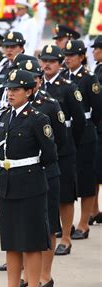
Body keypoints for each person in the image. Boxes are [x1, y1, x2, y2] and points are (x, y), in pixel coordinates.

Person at [0, 69, 56, 287]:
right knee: (11, 241)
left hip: (30, 183)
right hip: (9, 182)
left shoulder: (39, 119)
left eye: (16, 89)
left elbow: (50, 155)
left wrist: (28, 169)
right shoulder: (5, 116)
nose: (10, 93)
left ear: (29, 91)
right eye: (9, 89)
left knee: (31, 242)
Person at [16, 58, 66, 287]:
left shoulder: (49, 104)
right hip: (23, 175)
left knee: (47, 225)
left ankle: (45, 275)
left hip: (45, 172)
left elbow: (61, 140)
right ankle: (28, 274)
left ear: (38, 81)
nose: (31, 81)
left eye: (35, 77)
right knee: (26, 224)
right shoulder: (12, 108)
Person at [39, 44, 85, 256]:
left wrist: (69, 144)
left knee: (66, 194)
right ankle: (46, 236)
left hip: (64, 147)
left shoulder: (68, 87)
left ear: (60, 64)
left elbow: (79, 121)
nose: (47, 64)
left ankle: (65, 237)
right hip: (40, 148)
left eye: (53, 61)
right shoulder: (35, 86)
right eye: (45, 60)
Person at [62, 40, 102, 240]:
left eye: (72, 55)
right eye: (66, 54)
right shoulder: (62, 77)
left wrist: (89, 126)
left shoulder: (89, 78)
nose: (68, 58)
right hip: (66, 132)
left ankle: (84, 223)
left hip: (85, 131)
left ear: (82, 56)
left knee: (87, 178)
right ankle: (66, 223)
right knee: (68, 178)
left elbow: (98, 109)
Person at [91, 36, 102, 224]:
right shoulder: (98, 68)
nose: (93, 52)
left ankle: (93, 210)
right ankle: (94, 210)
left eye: (96, 49)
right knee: (96, 169)